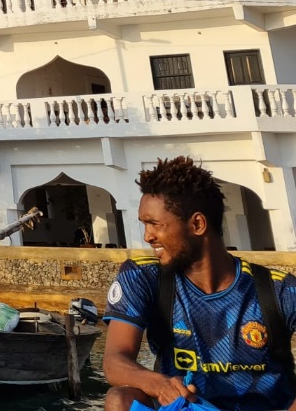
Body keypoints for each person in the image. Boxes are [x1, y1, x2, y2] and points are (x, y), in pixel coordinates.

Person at [103, 156, 296, 411]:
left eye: (154, 224)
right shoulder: (143, 278)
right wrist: (160, 385)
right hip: (189, 407)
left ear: (197, 224)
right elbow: (115, 360)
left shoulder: (278, 289)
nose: (148, 236)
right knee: (120, 399)